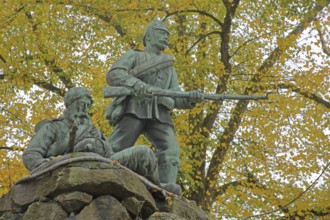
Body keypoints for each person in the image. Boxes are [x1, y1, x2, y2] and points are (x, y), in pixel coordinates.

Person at [106, 20, 202, 191]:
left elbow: (175, 94)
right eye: (161, 32)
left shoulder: (169, 67)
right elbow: (114, 74)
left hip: (160, 112)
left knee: (170, 149)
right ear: (148, 35)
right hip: (135, 107)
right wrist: (135, 84)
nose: (166, 36)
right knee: (117, 146)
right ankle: (102, 169)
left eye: (167, 34)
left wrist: (190, 98)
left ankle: (167, 187)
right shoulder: (134, 56)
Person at [22, 87, 159, 185]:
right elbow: (31, 156)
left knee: (144, 153)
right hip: (74, 168)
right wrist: (51, 164)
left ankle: (157, 188)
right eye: (82, 104)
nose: (85, 109)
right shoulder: (53, 127)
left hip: (106, 163)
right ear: (70, 104)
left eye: (88, 106)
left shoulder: (93, 129)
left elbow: (111, 153)